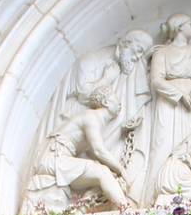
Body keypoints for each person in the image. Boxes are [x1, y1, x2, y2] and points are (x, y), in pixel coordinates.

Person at [40, 29, 154, 201]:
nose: (138, 57)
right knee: (101, 171)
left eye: (142, 53)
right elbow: (83, 94)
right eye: (138, 50)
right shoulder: (92, 60)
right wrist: (106, 79)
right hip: (58, 155)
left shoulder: (127, 72)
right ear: (125, 43)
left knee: (100, 171)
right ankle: (125, 210)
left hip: (74, 151)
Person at [23, 86, 131, 214]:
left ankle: (86, 210)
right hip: (54, 158)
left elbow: (93, 152)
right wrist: (121, 170)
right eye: (115, 98)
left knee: (102, 175)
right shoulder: (92, 117)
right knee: (102, 173)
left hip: (57, 159)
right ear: (106, 102)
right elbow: (98, 150)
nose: (119, 103)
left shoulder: (95, 121)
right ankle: (126, 210)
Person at [145, 13, 191, 203]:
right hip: (169, 103)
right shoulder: (162, 53)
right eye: (190, 24)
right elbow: (157, 80)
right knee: (163, 145)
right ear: (180, 27)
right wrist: (179, 95)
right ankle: (154, 194)